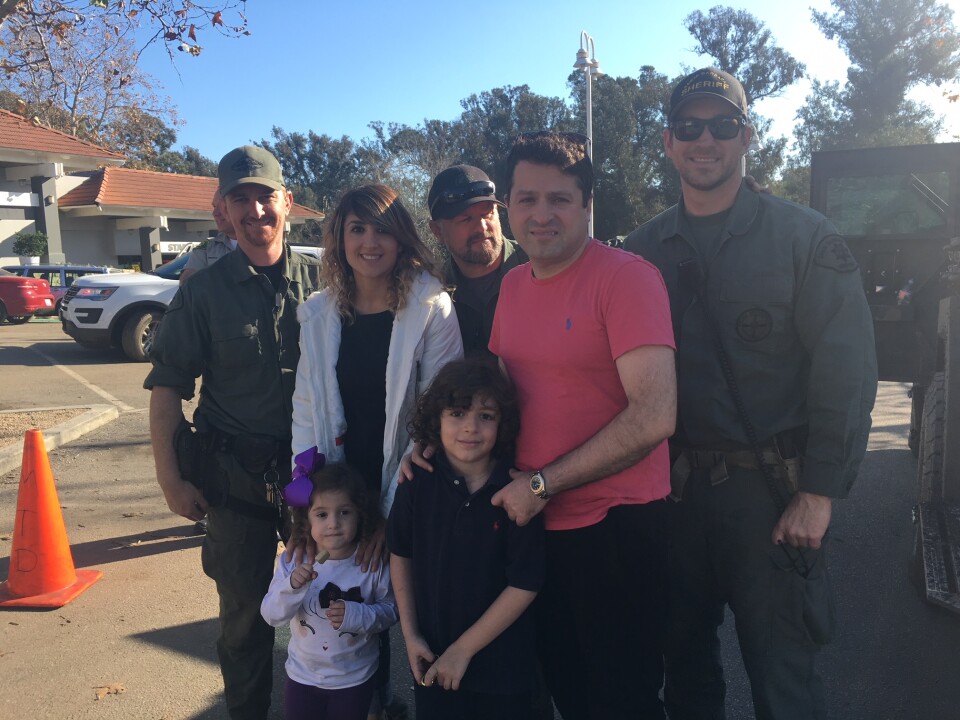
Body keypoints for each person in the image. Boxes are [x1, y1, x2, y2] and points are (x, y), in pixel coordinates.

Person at [623, 67, 878, 720]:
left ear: (747, 137)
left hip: (770, 496)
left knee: (784, 681)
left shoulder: (804, 238)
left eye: (722, 125)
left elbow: (845, 371)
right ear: (667, 141)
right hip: (674, 497)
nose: (704, 139)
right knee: (683, 675)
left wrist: (820, 491)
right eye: (689, 126)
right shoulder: (640, 252)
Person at [475, 131, 675, 719]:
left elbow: (655, 414)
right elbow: (498, 396)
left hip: (615, 527)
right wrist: (433, 449)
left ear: (587, 205)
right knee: (566, 689)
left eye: (560, 199)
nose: (542, 215)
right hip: (536, 526)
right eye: (527, 199)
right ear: (507, 207)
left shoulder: (627, 278)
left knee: (624, 699)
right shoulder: (512, 285)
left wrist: (542, 484)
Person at [145, 145, 323, 720]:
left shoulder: (326, 282)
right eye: (239, 198)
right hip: (236, 482)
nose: (255, 210)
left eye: (264, 195)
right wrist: (170, 480)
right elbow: (168, 385)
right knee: (245, 621)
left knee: (332, 606)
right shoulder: (202, 292)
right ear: (222, 210)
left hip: (316, 480)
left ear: (287, 203)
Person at [290, 183, 463, 719]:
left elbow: (439, 416)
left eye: (382, 229)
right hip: (340, 487)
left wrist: (392, 513)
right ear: (339, 238)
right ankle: (366, 703)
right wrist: (305, 504)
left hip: (408, 481)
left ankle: (407, 703)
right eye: (357, 229)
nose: (370, 242)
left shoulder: (430, 305)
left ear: (401, 237)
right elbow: (304, 410)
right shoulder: (318, 314)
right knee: (345, 607)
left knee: (401, 605)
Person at [387, 358, 544, 720]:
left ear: (503, 421)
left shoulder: (516, 491)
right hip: (433, 660)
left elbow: (525, 582)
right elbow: (400, 554)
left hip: (503, 673)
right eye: (456, 413)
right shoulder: (416, 483)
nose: (470, 428)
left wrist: (463, 650)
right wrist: (410, 636)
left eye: (486, 416)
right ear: (435, 419)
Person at [261, 463, 399, 720]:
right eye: (322, 514)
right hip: (302, 678)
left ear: (360, 515)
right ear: (306, 518)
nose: (333, 524)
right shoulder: (294, 561)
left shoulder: (371, 563)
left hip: (354, 679)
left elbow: (391, 611)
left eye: (344, 512)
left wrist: (358, 615)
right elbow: (271, 615)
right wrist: (291, 587)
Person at [427, 165, 528, 357]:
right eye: (465, 219)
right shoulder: (431, 292)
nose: (481, 227)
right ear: (437, 231)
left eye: (487, 213)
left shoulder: (539, 266)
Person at [180, 189, 238, 284]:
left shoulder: (259, 244)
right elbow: (187, 283)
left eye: (224, 207)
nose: (215, 213)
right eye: (214, 206)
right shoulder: (207, 247)